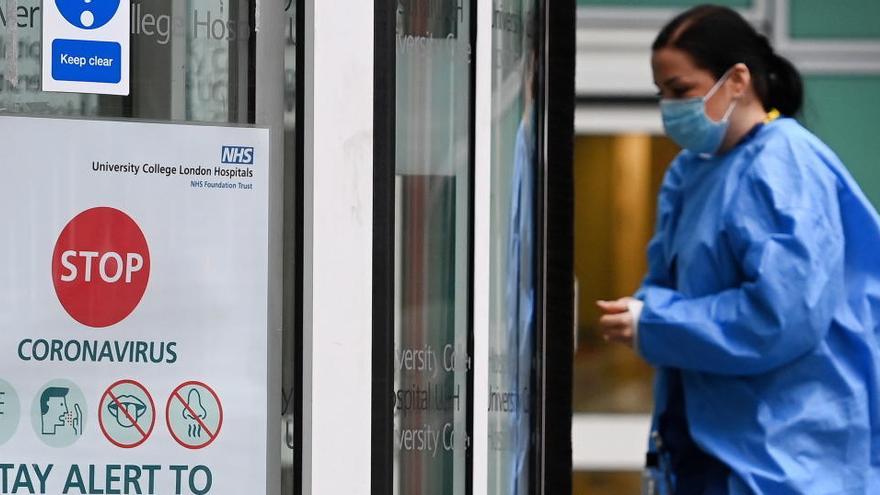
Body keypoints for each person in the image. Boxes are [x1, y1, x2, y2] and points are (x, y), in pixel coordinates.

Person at [596, 5, 880, 494]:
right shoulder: (691, 173)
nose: (669, 107)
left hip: (788, 458)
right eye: (661, 93)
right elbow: (661, 286)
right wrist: (649, 317)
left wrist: (657, 322)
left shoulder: (785, 162)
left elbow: (781, 317)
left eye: (681, 91)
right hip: (710, 447)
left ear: (737, 80)